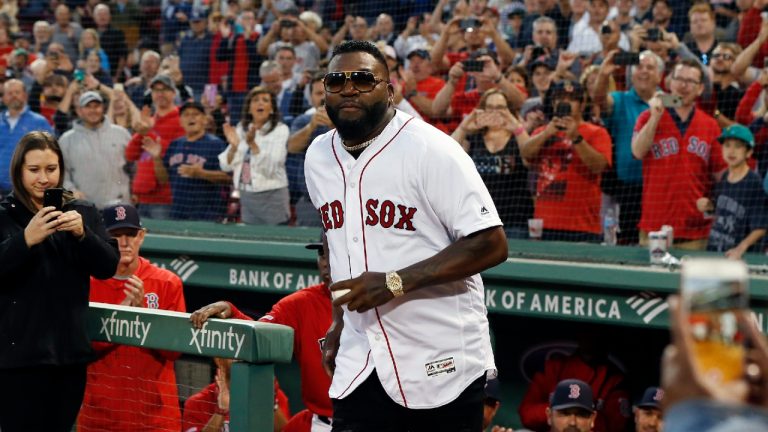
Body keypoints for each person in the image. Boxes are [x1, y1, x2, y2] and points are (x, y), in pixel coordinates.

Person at [305, 40, 508, 431]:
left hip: (439, 360)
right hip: (361, 359)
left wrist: (395, 282)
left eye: (364, 79)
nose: (349, 88)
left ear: (390, 90)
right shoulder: (318, 157)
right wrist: (338, 321)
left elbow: (491, 242)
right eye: (337, 80)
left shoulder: (432, 150)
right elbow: (339, 236)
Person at [0, 131, 119, 432]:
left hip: (68, 359)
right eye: (34, 170)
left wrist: (83, 235)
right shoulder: (4, 215)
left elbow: (108, 266)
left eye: (51, 169)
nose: (44, 179)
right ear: (19, 170)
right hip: (17, 360)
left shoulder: (82, 212)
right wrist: (25, 240)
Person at [190, 235, 334, 431]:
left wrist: (392, 284)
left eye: (332, 253)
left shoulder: (376, 296)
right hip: (323, 423)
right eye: (321, 255)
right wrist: (232, 311)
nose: (325, 262)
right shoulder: (301, 304)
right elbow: (260, 332)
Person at [78, 203, 186, 431]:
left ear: (142, 236)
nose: (124, 243)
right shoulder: (85, 283)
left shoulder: (167, 283)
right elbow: (82, 347)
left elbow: (174, 350)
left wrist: (144, 314)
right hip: (100, 418)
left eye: (131, 234)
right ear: (101, 238)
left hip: (155, 420)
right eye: (115, 235)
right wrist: (124, 312)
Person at [632, 59, 726, 249]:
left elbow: (722, 175)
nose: (684, 85)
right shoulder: (647, 117)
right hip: (654, 227)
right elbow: (638, 151)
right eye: (679, 79)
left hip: (695, 231)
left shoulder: (710, 125)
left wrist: (713, 203)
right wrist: (654, 118)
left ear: (700, 89)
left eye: (691, 81)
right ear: (669, 83)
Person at [520, 80, 612, 242]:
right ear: (554, 103)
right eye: (560, 98)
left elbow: (598, 166)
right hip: (544, 223)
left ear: (582, 104)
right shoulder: (543, 131)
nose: (565, 102)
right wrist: (546, 134)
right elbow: (526, 155)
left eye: (571, 99)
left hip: (582, 226)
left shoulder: (597, 132)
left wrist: (576, 138)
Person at [593, 50, 664, 244]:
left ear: (660, 75)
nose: (644, 72)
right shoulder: (620, 100)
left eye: (650, 67)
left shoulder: (669, 103)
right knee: (628, 244)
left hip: (661, 190)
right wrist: (603, 74)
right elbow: (599, 101)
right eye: (639, 67)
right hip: (628, 191)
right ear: (631, 74)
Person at [451, 88, 534, 239]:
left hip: (515, 219)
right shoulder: (474, 138)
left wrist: (517, 128)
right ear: (482, 110)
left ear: (509, 110)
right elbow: (447, 156)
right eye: (490, 107)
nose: (495, 112)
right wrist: (464, 127)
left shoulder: (518, 137)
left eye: (500, 108)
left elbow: (530, 157)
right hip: (480, 220)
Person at [518, 334, 630, 432]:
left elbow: (616, 427)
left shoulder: (614, 379)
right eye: (564, 413)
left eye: (582, 414)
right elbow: (527, 415)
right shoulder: (554, 367)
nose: (572, 422)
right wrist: (561, 407)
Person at [143, 100, 230, 220]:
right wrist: (157, 158)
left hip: (207, 215)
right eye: (186, 115)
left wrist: (201, 173)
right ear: (180, 121)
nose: (191, 118)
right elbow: (163, 179)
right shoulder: (175, 144)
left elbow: (228, 178)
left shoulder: (216, 144)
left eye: (195, 114)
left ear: (205, 120)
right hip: (178, 212)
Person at [219, 86, 290, 225]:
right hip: (246, 196)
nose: (260, 103)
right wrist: (233, 147)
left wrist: (252, 144)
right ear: (249, 108)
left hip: (272, 196)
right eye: (255, 100)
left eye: (265, 100)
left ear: (272, 109)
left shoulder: (280, 130)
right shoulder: (241, 128)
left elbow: (271, 168)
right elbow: (225, 166)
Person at [697, 124, 768, 258]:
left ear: (749, 152)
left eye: (738, 146)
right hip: (717, 252)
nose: (731, 151)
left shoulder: (754, 183)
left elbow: (761, 227)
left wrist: (741, 248)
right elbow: (722, 209)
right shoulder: (724, 177)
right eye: (727, 145)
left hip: (740, 259)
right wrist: (709, 206)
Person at [125, 74, 185, 219]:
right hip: (143, 196)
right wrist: (141, 133)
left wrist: (149, 132)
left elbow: (176, 153)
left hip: (165, 197)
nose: (160, 94)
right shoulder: (150, 120)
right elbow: (130, 154)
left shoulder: (180, 119)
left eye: (164, 90)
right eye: (156, 90)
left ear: (173, 93)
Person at [59, 91, 131, 209]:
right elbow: (62, 174)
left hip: (120, 206)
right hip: (85, 207)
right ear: (79, 110)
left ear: (102, 108)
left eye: (96, 106)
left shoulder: (121, 133)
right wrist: (71, 191)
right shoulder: (66, 139)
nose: (93, 110)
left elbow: (134, 167)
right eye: (88, 106)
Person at [287, 72, 333, 227]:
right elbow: (292, 147)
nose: (323, 97)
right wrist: (311, 126)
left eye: (327, 91)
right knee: (309, 249)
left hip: (343, 199)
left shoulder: (351, 119)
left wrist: (334, 125)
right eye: (318, 93)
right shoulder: (303, 120)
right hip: (310, 201)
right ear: (311, 98)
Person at [0, 79, 54, 197]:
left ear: (25, 95)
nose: (14, 96)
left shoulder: (39, 122)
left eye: (17, 92)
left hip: (30, 191)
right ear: (3, 98)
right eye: (9, 93)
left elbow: (51, 154)